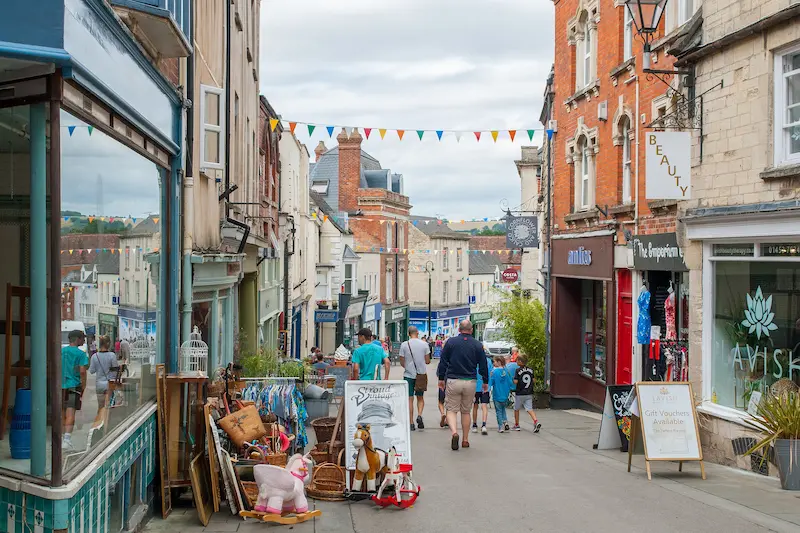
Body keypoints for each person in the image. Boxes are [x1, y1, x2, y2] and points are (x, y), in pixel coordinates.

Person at [437, 320, 489, 451]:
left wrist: (441, 378)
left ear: (459, 330)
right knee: (466, 411)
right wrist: (485, 381)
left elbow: (443, 362)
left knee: (451, 410)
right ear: (471, 330)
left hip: (453, 380)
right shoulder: (477, 345)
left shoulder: (451, 343)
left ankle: (454, 432)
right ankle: (465, 440)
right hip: (470, 381)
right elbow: (483, 365)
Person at [399, 326, 431, 431]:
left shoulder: (404, 345)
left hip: (408, 375)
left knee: (409, 399)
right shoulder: (425, 344)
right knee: (420, 398)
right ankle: (420, 415)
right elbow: (427, 361)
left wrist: (408, 366)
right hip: (421, 375)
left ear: (408, 334)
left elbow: (402, 362)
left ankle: (411, 423)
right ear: (417, 333)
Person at [62, 330, 89, 451]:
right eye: (82, 338)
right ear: (77, 339)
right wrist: (83, 386)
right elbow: (82, 371)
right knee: (70, 413)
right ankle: (66, 440)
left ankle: (62, 437)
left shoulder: (61, 352)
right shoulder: (81, 354)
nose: (84, 341)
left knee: (61, 413)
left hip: (60, 386)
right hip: (73, 386)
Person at [89, 335, 119, 428]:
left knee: (101, 407)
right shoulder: (112, 355)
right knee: (109, 408)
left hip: (99, 385)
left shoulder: (94, 356)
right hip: (109, 384)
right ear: (108, 344)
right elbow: (115, 370)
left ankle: (98, 426)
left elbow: (91, 371)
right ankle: (108, 426)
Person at [512, 355, 541, 433]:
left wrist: (513, 379)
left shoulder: (517, 370)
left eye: (517, 360)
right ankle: (536, 421)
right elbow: (534, 380)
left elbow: (516, 381)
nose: (516, 362)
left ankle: (517, 424)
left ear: (520, 362)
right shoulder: (530, 370)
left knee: (516, 409)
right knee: (529, 409)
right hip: (529, 392)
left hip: (520, 393)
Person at [489, 356, 513, 433]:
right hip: (505, 394)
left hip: (497, 395)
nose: (493, 363)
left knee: (498, 411)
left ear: (499, 362)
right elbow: (510, 383)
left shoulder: (494, 372)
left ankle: (500, 426)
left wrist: (490, 375)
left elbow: (491, 383)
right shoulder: (506, 371)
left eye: (494, 361)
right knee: (503, 409)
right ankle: (505, 421)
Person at [471, 352, 492, 435]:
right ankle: (484, 425)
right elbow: (490, 373)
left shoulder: (473, 360)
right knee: (484, 406)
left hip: (475, 386)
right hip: (485, 386)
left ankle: (474, 425)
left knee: (475, 406)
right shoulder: (488, 361)